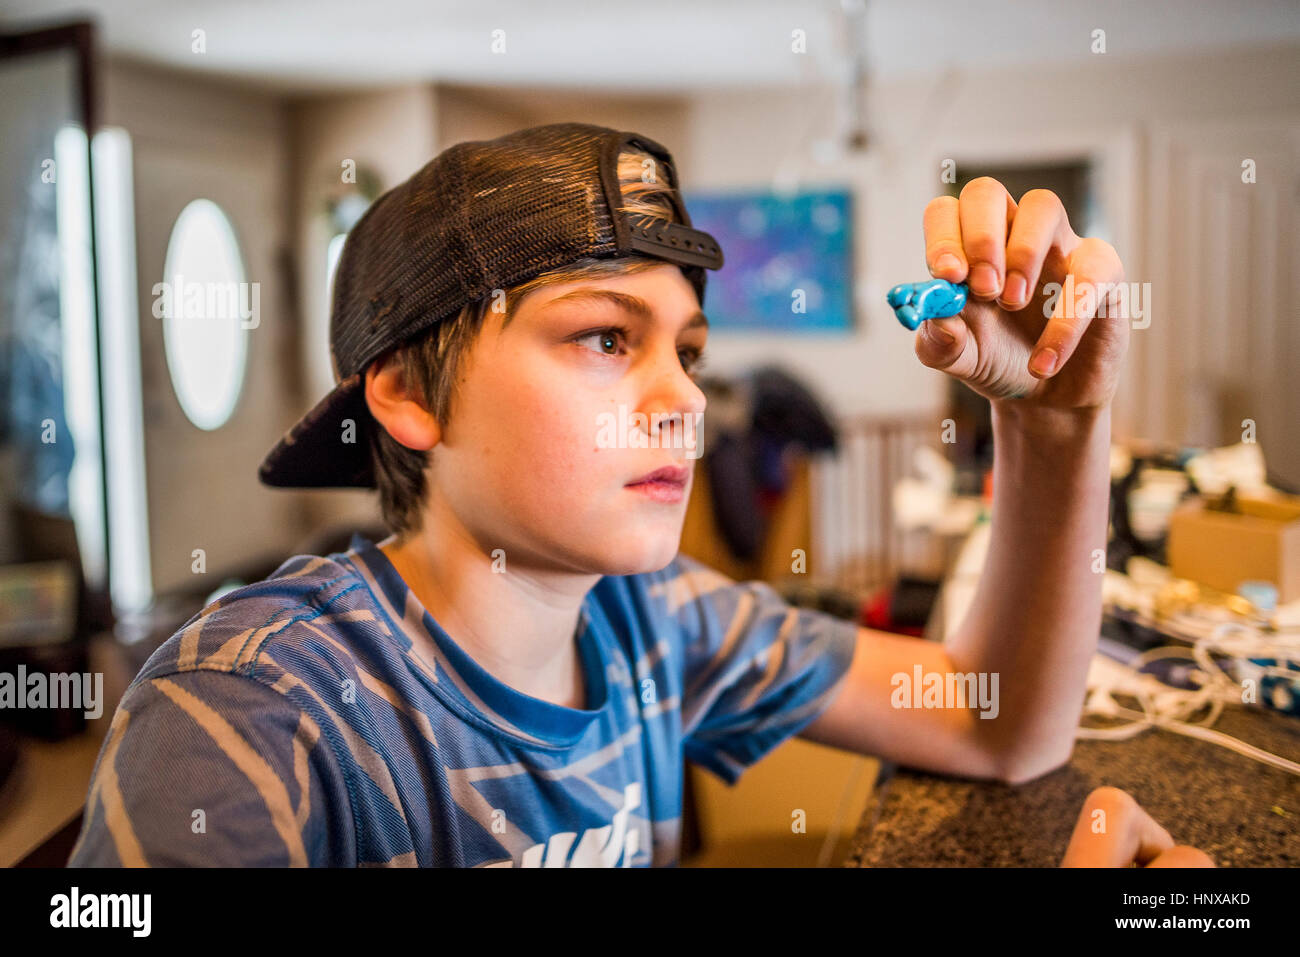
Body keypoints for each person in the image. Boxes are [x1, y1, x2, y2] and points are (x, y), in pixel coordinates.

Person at [67, 122, 1210, 867]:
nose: (688, 405)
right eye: (607, 337)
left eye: (691, 352)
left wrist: (1054, 424)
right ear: (410, 393)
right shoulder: (256, 714)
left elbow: (994, 718)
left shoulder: (653, 621)